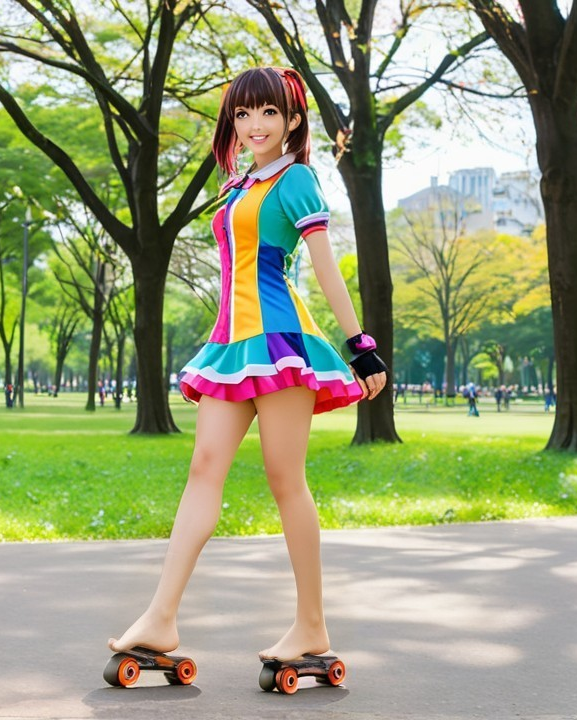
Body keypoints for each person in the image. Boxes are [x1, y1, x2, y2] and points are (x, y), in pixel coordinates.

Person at [107, 67, 387, 669]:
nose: (254, 125)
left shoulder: (297, 180)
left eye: (267, 113)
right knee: (203, 468)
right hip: (232, 345)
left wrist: (359, 342)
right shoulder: (239, 183)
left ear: (292, 121)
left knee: (286, 481)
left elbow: (324, 265)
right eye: (242, 114)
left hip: (282, 343)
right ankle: (160, 618)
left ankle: (312, 625)